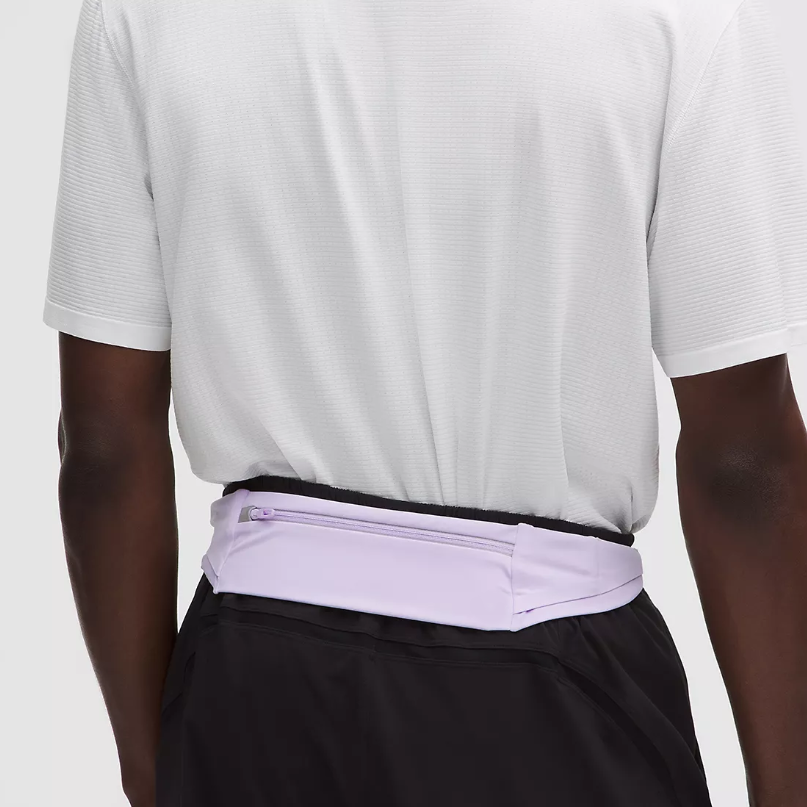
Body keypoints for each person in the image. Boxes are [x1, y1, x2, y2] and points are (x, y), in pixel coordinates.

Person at [43, 0, 807, 804]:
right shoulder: (684, 17)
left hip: (250, 684)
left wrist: (159, 768)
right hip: (550, 689)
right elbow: (742, 461)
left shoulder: (144, 16)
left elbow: (103, 447)